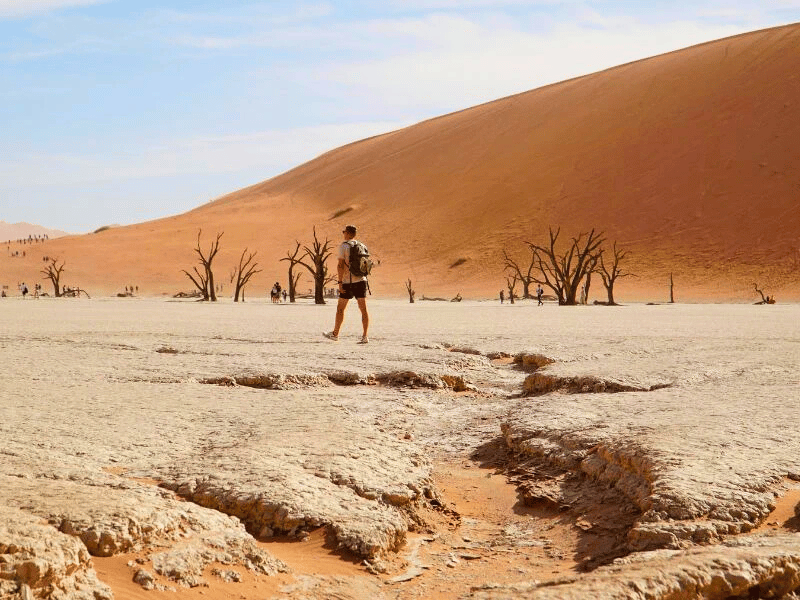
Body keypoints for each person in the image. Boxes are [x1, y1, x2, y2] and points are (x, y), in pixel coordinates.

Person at [324, 225, 369, 343]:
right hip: (362, 281)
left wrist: (339, 283)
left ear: (348, 233)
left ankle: (335, 334)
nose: (343, 233)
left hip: (348, 282)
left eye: (344, 232)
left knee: (340, 308)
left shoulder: (344, 246)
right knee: (363, 309)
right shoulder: (362, 246)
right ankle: (365, 336)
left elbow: (340, 265)